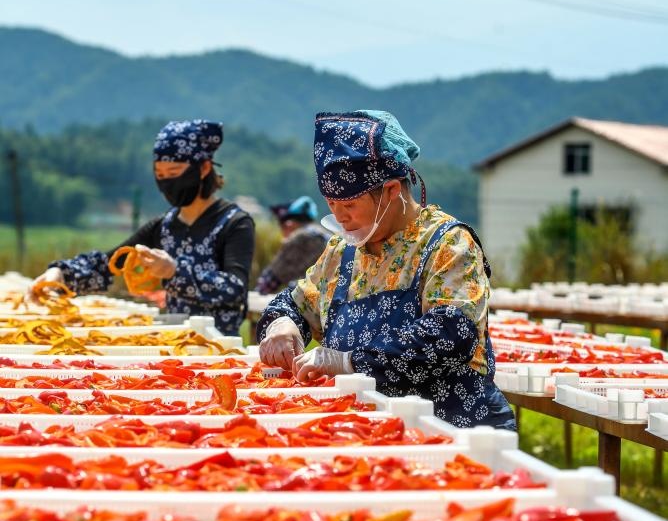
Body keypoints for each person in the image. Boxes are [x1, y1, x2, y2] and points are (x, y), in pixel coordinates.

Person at [257, 109, 515, 429]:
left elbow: (452, 334)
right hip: (369, 429)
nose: (340, 217)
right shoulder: (343, 250)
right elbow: (296, 302)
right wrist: (283, 325)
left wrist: (349, 361)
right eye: (331, 205)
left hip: (450, 427)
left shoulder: (447, 244)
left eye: (350, 205)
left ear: (391, 191)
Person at [26, 119, 255, 335]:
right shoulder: (164, 226)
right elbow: (111, 263)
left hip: (222, 345)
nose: (167, 182)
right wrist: (61, 274)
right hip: (178, 342)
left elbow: (235, 290)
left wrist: (174, 271)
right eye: (160, 175)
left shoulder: (234, 223)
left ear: (204, 168)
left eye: (174, 173)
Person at [255, 195, 328, 295]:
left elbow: (273, 277)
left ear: (289, 224)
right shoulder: (326, 237)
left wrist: (256, 295)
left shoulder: (300, 237)